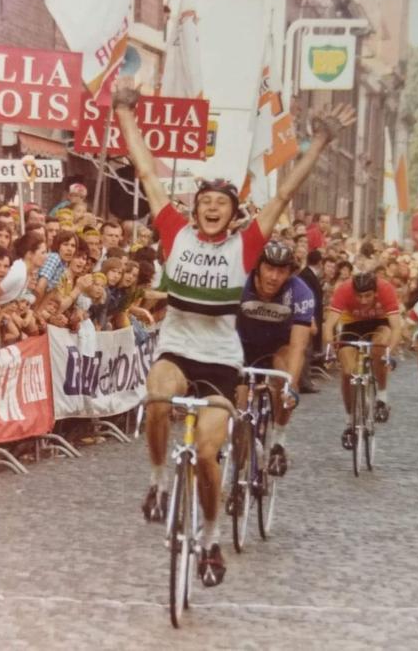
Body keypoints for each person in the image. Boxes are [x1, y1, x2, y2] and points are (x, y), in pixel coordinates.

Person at [114, 74, 356, 588]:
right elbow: (144, 169)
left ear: (232, 214)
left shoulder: (245, 246)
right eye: (205, 198)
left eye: (222, 201)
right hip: (177, 348)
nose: (211, 205)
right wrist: (124, 111)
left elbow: (286, 192)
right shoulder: (173, 230)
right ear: (195, 206)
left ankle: (210, 539)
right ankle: (157, 483)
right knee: (157, 398)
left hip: (221, 360)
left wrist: (322, 142)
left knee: (206, 453)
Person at [235, 240, 311, 474]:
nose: (274, 277)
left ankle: (279, 439)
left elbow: (298, 346)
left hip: (279, 347)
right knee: (240, 410)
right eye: (269, 268)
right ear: (258, 267)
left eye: (281, 271)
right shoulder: (239, 283)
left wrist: (291, 385)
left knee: (286, 378)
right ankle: (239, 476)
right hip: (242, 347)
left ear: (289, 274)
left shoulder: (300, 292)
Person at [323, 270, 404, 445]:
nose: (364, 300)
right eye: (359, 296)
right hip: (353, 324)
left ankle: (381, 397)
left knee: (379, 348)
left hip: (380, 323)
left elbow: (396, 327)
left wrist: (389, 351)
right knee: (347, 372)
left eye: (368, 296)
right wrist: (330, 347)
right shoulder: (344, 289)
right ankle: (350, 420)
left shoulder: (386, 289)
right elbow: (329, 324)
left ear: (376, 292)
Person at [296, 249, 324, 393]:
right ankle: (304, 382)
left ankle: (304, 381)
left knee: (307, 351)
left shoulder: (308, 274)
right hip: (306, 318)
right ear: (320, 262)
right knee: (305, 351)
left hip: (308, 317)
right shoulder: (307, 276)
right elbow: (309, 300)